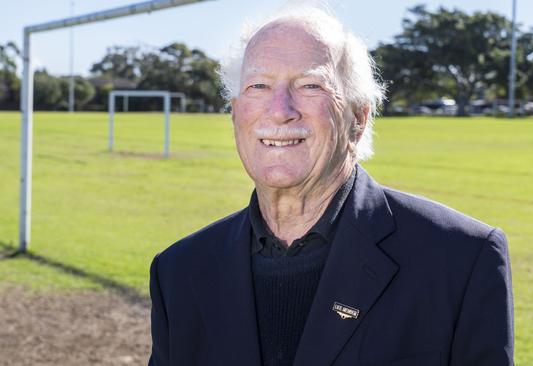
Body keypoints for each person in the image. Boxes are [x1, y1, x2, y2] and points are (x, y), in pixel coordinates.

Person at [148, 6, 514, 366]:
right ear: (235, 112)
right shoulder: (180, 271)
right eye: (259, 85)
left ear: (358, 117)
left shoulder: (461, 259)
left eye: (310, 85)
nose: (279, 110)